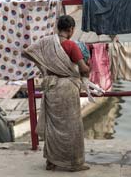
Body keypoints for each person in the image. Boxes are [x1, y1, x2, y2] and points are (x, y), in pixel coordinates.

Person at [22, 15, 90, 172]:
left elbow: (27, 52)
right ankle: (74, 164)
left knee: (53, 128)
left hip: (51, 88)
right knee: (72, 128)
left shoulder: (46, 42)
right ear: (71, 29)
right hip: (67, 89)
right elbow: (83, 70)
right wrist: (88, 65)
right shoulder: (71, 46)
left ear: (58, 27)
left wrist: (43, 68)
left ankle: (51, 162)